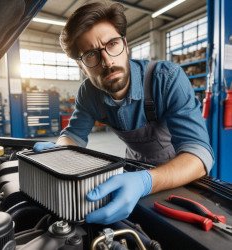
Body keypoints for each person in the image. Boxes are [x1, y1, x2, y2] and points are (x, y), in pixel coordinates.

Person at [34, 1, 214, 225]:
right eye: (91, 55)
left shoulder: (166, 79)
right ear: (81, 66)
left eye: (112, 44)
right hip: (133, 169)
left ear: (125, 44)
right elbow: (74, 136)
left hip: (178, 174)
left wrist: (144, 182)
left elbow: (198, 157)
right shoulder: (89, 94)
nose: (107, 61)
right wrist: (58, 152)